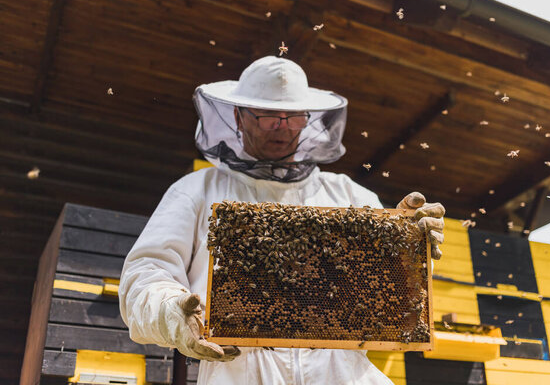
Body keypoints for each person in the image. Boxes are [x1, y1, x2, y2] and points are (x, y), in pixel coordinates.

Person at [119, 56, 445, 384]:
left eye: (293, 117)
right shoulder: (198, 190)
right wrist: (172, 312)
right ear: (239, 117)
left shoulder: (348, 194)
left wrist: (408, 245)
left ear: (308, 120)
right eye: (267, 115)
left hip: (341, 376)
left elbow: (394, 294)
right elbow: (145, 274)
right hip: (239, 373)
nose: (282, 126)